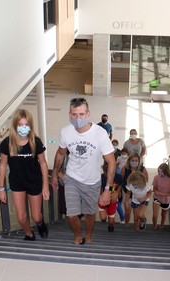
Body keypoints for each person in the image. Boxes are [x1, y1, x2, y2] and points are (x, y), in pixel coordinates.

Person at [51, 98, 116, 245]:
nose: (77, 118)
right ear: (69, 115)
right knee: (72, 215)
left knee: (90, 213)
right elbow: (61, 153)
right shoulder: (66, 132)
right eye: (74, 114)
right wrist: (55, 174)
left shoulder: (100, 134)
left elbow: (111, 161)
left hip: (92, 181)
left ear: (88, 114)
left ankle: (88, 234)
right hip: (72, 178)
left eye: (81, 114)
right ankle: (78, 235)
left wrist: (107, 189)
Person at [0, 109, 49, 241]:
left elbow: (43, 163)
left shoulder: (35, 142)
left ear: (31, 125)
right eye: (20, 125)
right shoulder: (7, 143)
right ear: (15, 126)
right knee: (21, 217)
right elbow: (2, 165)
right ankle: (29, 234)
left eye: (26, 124)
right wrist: (1, 188)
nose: (23, 128)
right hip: (17, 183)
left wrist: (45, 186)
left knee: (36, 216)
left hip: (34, 181)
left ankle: (40, 224)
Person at [120, 153, 148, 227]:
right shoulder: (124, 168)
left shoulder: (142, 169)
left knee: (137, 212)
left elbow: (146, 181)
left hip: (138, 193)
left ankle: (138, 225)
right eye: (133, 160)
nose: (134, 162)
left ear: (139, 161)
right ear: (129, 161)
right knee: (127, 210)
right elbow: (121, 180)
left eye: (136, 160)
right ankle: (126, 223)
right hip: (127, 192)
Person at [98, 161, 123, 232]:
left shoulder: (118, 177)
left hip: (112, 200)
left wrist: (117, 193)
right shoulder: (101, 177)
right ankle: (105, 214)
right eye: (106, 173)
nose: (107, 175)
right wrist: (100, 196)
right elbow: (99, 188)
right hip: (103, 199)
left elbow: (120, 184)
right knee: (103, 218)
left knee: (111, 221)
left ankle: (110, 225)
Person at [152, 163, 170, 229]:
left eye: (161, 172)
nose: (160, 173)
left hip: (166, 200)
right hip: (157, 198)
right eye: (159, 171)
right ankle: (154, 226)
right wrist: (156, 191)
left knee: (163, 214)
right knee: (155, 215)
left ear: (166, 171)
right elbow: (154, 188)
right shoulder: (156, 177)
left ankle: (162, 225)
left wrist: (163, 194)